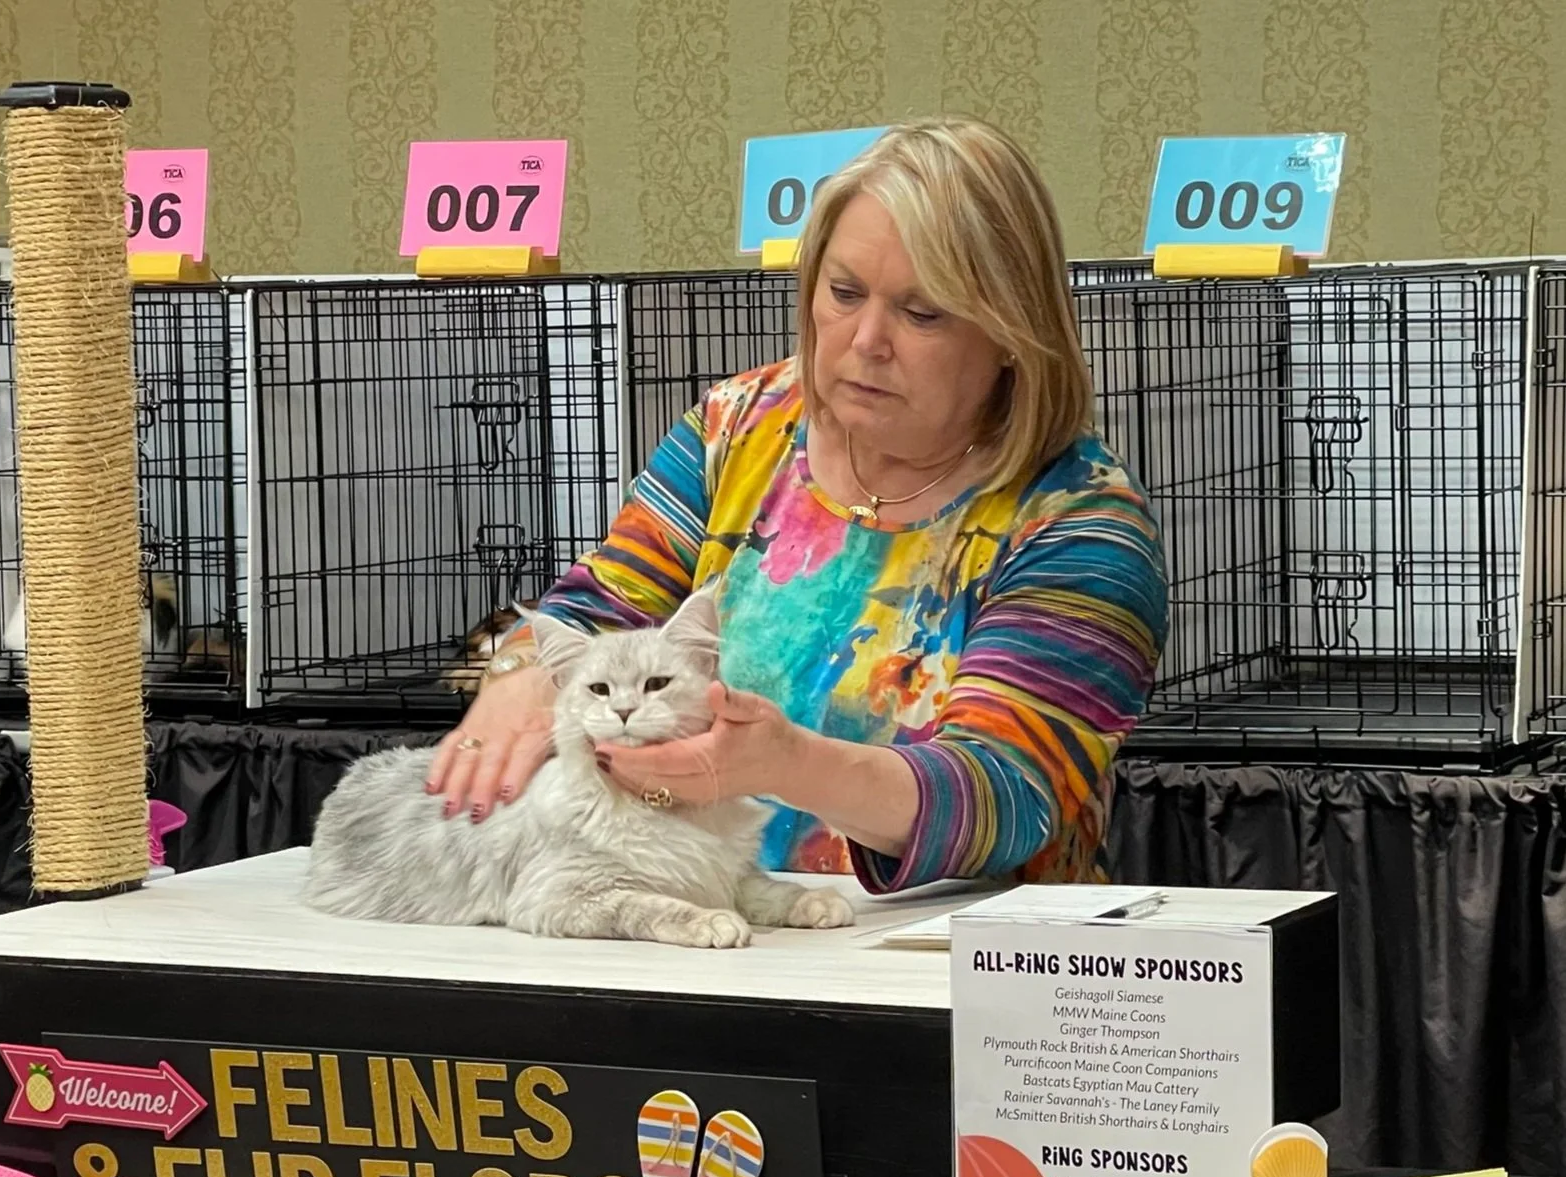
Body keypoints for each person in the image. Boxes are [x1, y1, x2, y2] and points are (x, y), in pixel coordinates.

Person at [427, 117, 1167, 893]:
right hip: (699, 922)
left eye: (922, 313)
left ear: (1012, 329)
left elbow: (1002, 800)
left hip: (963, 963)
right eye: (843, 293)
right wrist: (517, 670)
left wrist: (787, 764)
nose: (865, 340)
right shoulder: (737, 427)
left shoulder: (1080, 524)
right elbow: (597, 605)